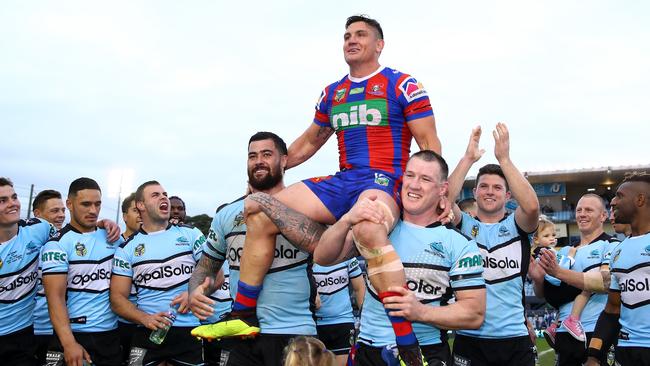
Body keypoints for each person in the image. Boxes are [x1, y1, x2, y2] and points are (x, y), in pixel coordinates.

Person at [212, 15, 441, 365]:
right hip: (343, 179)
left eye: (361, 35)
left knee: (368, 227)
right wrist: (272, 165)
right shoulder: (333, 92)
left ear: (379, 44)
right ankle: (243, 315)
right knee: (259, 208)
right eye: (347, 35)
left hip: (384, 179)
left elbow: (428, 142)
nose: (351, 39)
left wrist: (434, 196)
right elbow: (310, 141)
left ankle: (407, 344)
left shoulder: (402, 84)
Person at [314, 150, 486, 366]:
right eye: (410, 175)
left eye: (425, 179)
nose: (414, 185)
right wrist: (347, 219)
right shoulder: (379, 226)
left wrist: (421, 312)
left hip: (425, 352)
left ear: (442, 189)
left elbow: (474, 314)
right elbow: (323, 257)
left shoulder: (458, 244)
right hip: (369, 350)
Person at [189, 132, 317, 366]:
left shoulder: (307, 207)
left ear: (285, 160)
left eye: (267, 154)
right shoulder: (227, 214)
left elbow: (324, 249)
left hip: (294, 331)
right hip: (241, 333)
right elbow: (207, 266)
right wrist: (195, 292)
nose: (258, 161)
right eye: (252, 156)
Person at [446, 124, 540, 366]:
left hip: (514, 339)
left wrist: (504, 159)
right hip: (469, 337)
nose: (490, 192)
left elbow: (531, 207)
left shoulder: (517, 226)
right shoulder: (463, 226)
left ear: (508, 196)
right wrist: (468, 158)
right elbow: (444, 201)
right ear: (475, 192)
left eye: (498, 187)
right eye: (484, 187)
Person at [110, 181, 205, 366]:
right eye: (155, 195)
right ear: (141, 205)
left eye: (164, 194)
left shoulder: (190, 234)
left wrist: (194, 292)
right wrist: (144, 318)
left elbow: (214, 275)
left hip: (188, 331)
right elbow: (117, 299)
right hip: (148, 331)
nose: (163, 197)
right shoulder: (126, 248)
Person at [41, 177, 123, 366]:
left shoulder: (113, 237)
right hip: (73, 336)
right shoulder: (57, 245)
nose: (93, 210)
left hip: (110, 335)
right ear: (69, 204)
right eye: (86, 204)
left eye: (98, 204)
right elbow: (55, 298)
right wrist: (69, 343)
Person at [531, 193, 619, 366]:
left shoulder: (612, 245)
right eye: (579, 210)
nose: (582, 214)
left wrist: (559, 274)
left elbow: (606, 283)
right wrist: (538, 279)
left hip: (596, 331)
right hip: (564, 333)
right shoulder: (564, 251)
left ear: (603, 216)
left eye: (589, 210)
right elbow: (549, 295)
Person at [585, 174, 650, 366]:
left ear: (640, 200)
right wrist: (594, 354)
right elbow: (612, 309)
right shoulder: (618, 251)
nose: (613, 202)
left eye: (620, 196)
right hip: (627, 351)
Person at [0, 177, 57, 366]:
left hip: (23, 336)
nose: (12, 204)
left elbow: (70, 235)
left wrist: (102, 226)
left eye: (14, 197)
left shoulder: (38, 229)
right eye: (3, 201)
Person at [32, 189, 66, 364]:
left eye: (63, 210)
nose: (61, 215)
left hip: (59, 331)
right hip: (28, 330)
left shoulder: (67, 243)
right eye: (54, 211)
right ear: (37, 214)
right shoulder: (23, 244)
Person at [312, 257, 365, 365]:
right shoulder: (307, 254)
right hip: (315, 324)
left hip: (343, 323)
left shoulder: (346, 254)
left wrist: (365, 320)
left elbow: (359, 287)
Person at [116, 192, 141, 365]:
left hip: (146, 321)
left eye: (142, 209)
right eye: (135, 210)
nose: (140, 214)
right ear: (125, 216)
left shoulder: (153, 241)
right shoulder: (112, 242)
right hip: (120, 322)